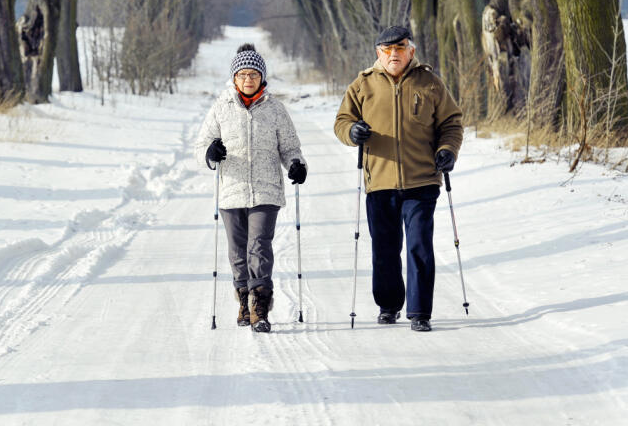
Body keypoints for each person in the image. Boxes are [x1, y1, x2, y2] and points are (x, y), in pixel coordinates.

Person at [334, 26, 463, 332]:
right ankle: (389, 304)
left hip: (422, 181)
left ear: (411, 51)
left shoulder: (430, 82)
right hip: (379, 181)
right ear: (378, 53)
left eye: (400, 48)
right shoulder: (362, 84)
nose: (394, 55)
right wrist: (353, 133)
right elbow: (342, 121)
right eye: (388, 50)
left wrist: (447, 150)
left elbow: (451, 123)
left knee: (419, 246)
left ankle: (419, 312)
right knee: (385, 248)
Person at [196, 43, 307, 333]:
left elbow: (291, 147)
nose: (248, 79)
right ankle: (243, 300)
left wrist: (296, 164)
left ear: (262, 78)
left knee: (259, 247)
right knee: (237, 252)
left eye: (254, 74)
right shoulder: (221, 109)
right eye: (243, 74)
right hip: (232, 191)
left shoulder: (275, 109)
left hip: (266, 190)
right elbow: (200, 145)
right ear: (234, 78)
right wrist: (210, 152)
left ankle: (260, 306)